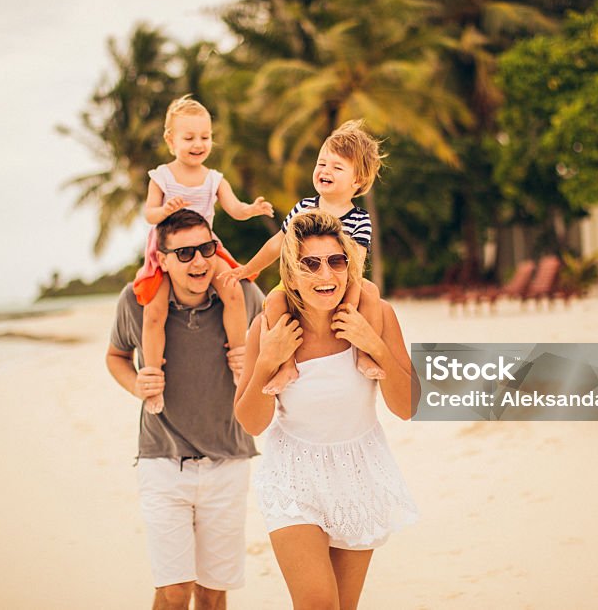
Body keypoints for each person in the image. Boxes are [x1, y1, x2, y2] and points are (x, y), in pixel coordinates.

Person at [234, 210, 419, 610]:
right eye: (311, 263)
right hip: (293, 473)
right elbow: (251, 422)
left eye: (337, 261)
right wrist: (268, 361)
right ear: (292, 272)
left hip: (358, 470)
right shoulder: (268, 328)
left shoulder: (378, 315)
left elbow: (405, 407)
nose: (326, 275)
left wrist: (375, 345)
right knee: (317, 603)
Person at [107, 209, 265, 610]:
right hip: (162, 462)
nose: (199, 261)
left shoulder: (243, 296)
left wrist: (256, 362)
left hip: (229, 461)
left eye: (207, 249)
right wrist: (137, 384)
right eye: (185, 253)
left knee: (213, 594)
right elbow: (116, 356)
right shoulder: (137, 301)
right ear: (161, 259)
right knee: (175, 591)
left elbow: (280, 349)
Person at [135, 95, 273, 412]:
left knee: (234, 290)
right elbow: (148, 213)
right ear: (171, 141)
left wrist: (252, 209)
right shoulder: (162, 176)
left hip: (208, 249)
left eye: (205, 137)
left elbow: (234, 208)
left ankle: (238, 356)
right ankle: (154, 376)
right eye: (189, 138)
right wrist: (164, 209)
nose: (198, 144)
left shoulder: (214, 179)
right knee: (154, 310)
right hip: (167, 253)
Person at [225, 120, 385, 394]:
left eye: (337, 167)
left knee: (368, 293)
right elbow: (278, 244)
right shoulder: (304, 208)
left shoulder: (359, 218)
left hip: (343, 283)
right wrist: (247, 269)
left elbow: (355, 263)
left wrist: (345, 300)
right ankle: (287, 365)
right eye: (322, 163)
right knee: (274, 300)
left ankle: (364, 353)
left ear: (356, 180)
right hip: (300, 284)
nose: (325, 170)